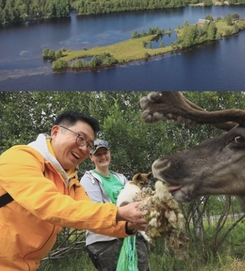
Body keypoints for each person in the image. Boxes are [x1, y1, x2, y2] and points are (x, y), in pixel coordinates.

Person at [0, 111, 147, 271]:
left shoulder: (70, 180)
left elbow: (92, 215)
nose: (84, 148)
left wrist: (130, 225)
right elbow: (48, 204)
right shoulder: (19, 158)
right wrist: (118, 213)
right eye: (80, 138)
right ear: (55, 132)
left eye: (89, 145)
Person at [81, 139, 150, 271]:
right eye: (98, 154)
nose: (102, 157)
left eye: (105, 153)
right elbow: (97, 210)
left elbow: (134, 201)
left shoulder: (121, 178)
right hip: (104, 240)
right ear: (91, 157)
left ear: (109, 153)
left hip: (129, 235)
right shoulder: (88, 179)